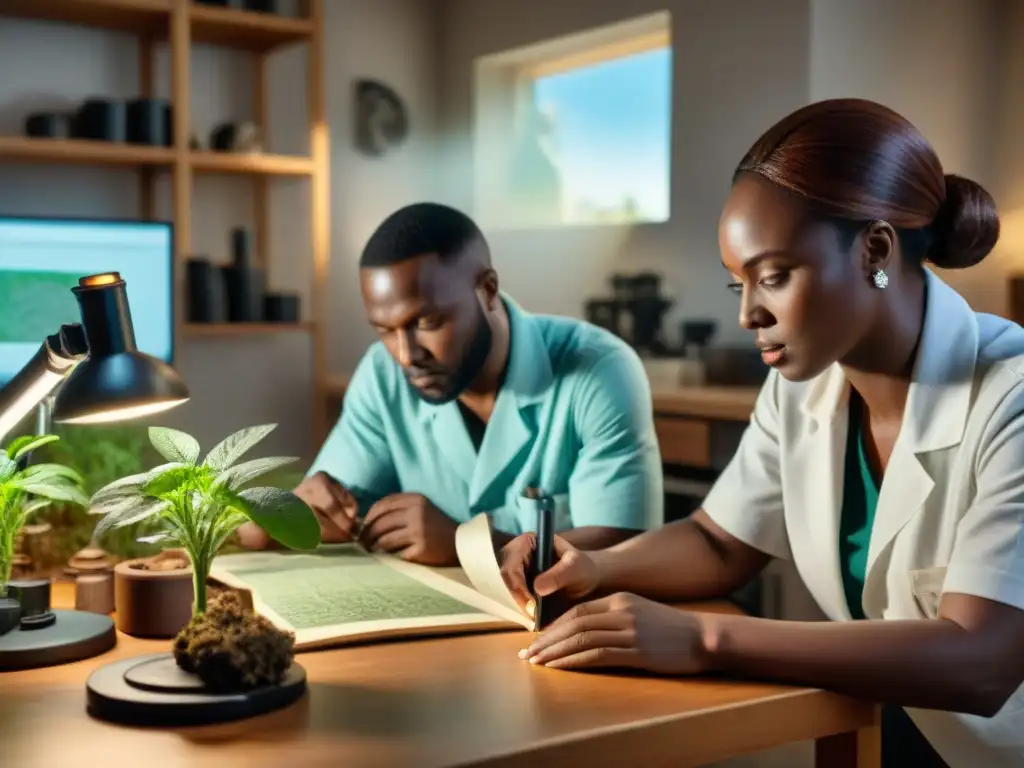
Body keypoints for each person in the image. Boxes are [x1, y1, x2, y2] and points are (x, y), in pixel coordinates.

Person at [499, 99, 1024, 767]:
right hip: (883, 721)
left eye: (773, 277)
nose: (750, 313)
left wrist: (703, 639)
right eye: (737, 284)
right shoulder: (803, 383)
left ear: (875, 250)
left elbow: (981, 661)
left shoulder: (1012, 401)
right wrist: (592, 567)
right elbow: (721, 542)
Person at [239, 202, 662, 565]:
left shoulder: (600, 371)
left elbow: (623, 547)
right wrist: (288, 516)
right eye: (384, 329)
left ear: (488, 290)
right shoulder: (383, 375)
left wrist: (468, 544)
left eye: (427, 322)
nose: (405, 354)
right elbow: (320, 511)